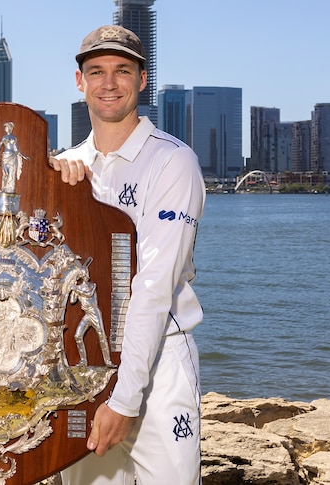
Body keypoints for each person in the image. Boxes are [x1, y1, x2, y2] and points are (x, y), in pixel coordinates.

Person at [50, 25, 205, 484]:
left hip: (160, 362)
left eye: (123, 70)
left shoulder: (172, 161)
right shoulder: (65, 168)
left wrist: (124, 399)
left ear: (142, 80)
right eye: (96, 71)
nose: (109, 83)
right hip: (83, 363)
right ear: (79, 82)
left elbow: (154, 286)